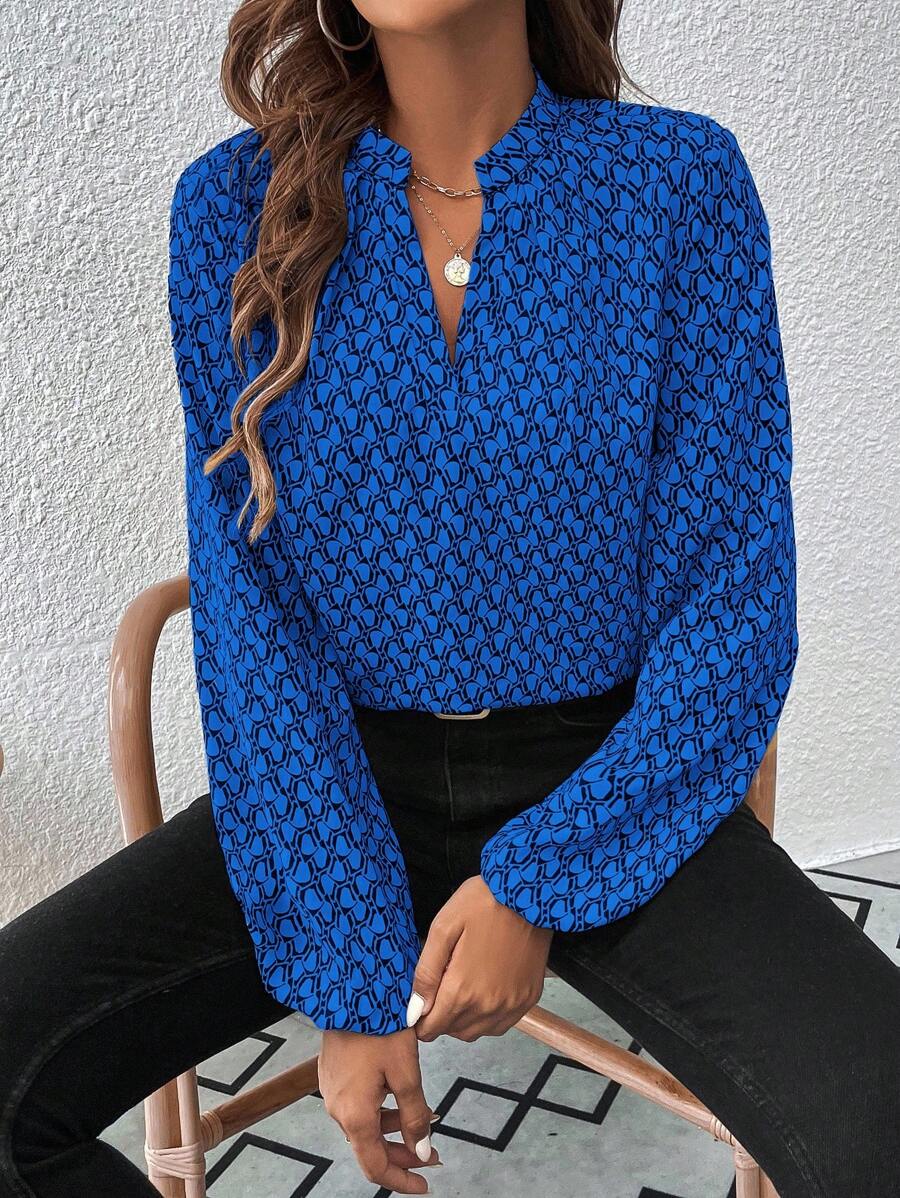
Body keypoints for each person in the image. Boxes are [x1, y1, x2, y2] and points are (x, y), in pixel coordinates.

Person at [2, 3, 899, 1196]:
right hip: (329, 783)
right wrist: (347, 972)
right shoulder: (235, 206)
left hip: (603, 772)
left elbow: (732, 597)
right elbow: (251, 615)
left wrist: (540, 880)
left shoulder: (676, 184)